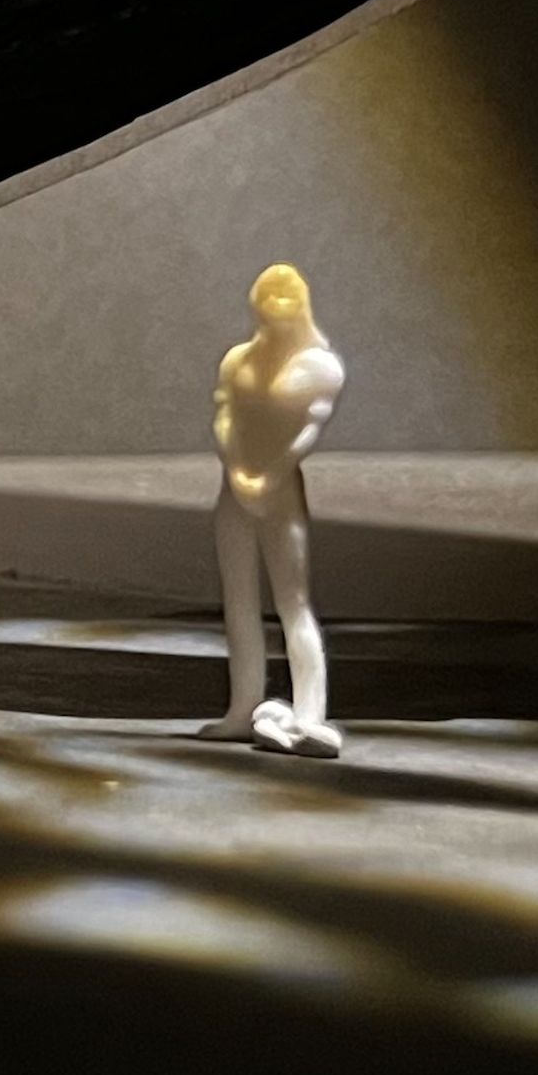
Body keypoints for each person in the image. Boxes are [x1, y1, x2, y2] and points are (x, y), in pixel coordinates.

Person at [204, 263, 347, 757]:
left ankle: (309, 713)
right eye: (267, 317)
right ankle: (243, 708)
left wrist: (270, 474)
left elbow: (306, 433)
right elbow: (224, 416)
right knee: (238, 601)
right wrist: (237, 469)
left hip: (281, 494)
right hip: (235, 492)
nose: (274, 329)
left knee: (293, 602)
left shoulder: (319, 368)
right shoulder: (238, 361)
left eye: (284, 320)